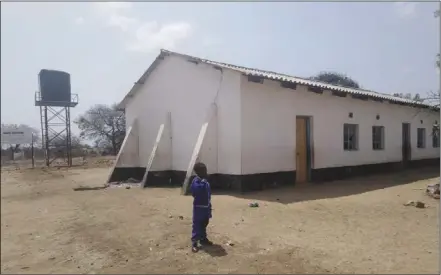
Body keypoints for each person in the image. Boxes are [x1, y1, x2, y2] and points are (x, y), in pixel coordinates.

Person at [190, 162, 213, 252]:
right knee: (197, 224)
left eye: (205, 170)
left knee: (204, 223)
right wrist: (203, 182)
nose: (205, 172)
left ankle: (203, 239)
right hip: (198, 207)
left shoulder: (205, 181)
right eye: (203, 171)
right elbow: (195, 192)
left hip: (206, 206)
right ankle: (194, 242)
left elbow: (208, 193)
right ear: (198, 172)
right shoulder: (196, 181)